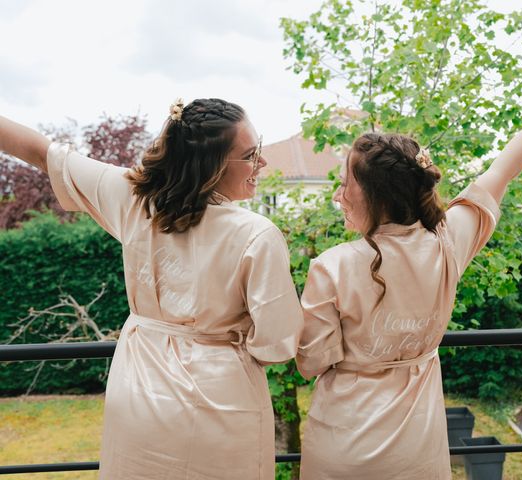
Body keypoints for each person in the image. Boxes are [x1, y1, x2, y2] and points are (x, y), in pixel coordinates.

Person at [295, 61, 522, 479]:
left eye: (344, 183)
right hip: (415, 449)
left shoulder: (330, 266)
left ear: (375, 197)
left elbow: (311, 362)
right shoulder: (446, 243)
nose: (339, 194)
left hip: (343, 443)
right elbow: (502, 171)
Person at [0, 97, 304, 479]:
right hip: (221, 399)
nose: (262, 163)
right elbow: (277, 344)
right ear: (211, 165)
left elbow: (42, 152)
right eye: (250, 154)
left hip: (139, 391)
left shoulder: (133, 200)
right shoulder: (257, 235)